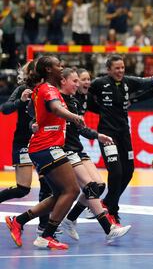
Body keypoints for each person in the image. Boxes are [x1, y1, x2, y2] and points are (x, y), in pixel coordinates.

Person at [5, 55, 84, 250]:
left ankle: (19, 221)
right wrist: (74, 117)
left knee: (59, 194)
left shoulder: (42, 89)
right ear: (49, 70)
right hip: (47, 147)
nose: (62, 66)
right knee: (72, 190)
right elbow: (56, 109)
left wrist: (37, 121)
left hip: (44, 146)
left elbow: (35, 111)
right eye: (58, 65)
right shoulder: (48, 89)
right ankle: (46, 235)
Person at [58, 68, 131, 242]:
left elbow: (81, 127)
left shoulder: (77, 100)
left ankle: (69, 219)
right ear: (64, 81)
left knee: (98, 185)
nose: (83, 83)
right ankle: (108, 228)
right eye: (78, 80)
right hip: (65, 149)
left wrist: (98, 136)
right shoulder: (58, 100)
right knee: (87, 187)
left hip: (77, 147)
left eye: (85, 79)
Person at [88, 54, 153, 225]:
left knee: (128, 171)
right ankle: (113, 210)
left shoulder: (128, 81)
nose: (120, 71)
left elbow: (147, 82)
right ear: (108, 70)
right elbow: (87, 98)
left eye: (122, 68)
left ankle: (107, 202)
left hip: (124, 134)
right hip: (107, 135)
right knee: (116, 172)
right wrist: (102, 110)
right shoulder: (99, 83)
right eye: (116, 68)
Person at [0, 62, 55, 235]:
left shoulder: (49, 89)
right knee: (22, 189)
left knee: (47, 184)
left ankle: (43, 226)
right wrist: (20, 101)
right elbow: (4, 109)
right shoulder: (23, 89)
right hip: (23, 142)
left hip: (42, 142)